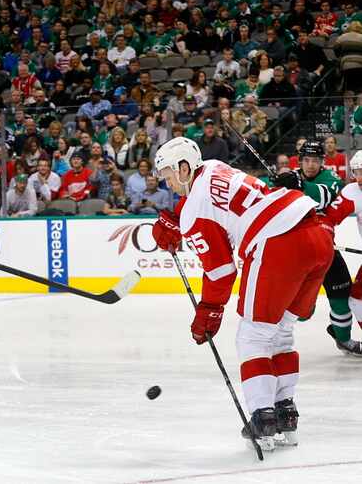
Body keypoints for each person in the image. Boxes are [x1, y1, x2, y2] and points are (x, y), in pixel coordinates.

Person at [151, 137, 332, 451]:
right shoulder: (213, 167)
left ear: (183, 168)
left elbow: (221, 270)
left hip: (278, 244)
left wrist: (209, 310)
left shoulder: (193, 210)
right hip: (316, 234)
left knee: (252, 336)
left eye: (168, 175)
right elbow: (212, 200)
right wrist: (178, 220)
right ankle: (285, 410)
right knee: (280, 332)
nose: (168, 184)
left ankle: (263, 417)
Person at [269, 141, 350, 355]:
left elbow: (323, 198)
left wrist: (297, 185)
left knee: (342, 295)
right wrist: (274, 185)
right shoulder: (291, 176)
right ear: (300, 160)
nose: (311, 165)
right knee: (301, 310)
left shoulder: (330, 178)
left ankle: (344, 339)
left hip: (326, 249)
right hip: (299, 252)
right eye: (307, 160)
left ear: (323, 162)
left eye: (315, 160)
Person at [323, 151, 362, 355]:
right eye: (357, 172)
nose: (360, 178)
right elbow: (328, 219)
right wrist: (323, 237)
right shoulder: (352, 192)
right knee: (357, 299)